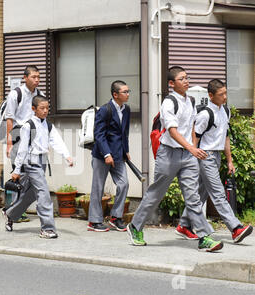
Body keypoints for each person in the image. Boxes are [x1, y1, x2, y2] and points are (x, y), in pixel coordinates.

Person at [127, 66, 223, 252]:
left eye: (187, 77)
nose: (186, 81)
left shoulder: (191, 101)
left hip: (187, 156)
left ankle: (204, 237)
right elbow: (172, 130)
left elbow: (192, 127)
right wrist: (191, 148)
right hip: (169, 154)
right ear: (172, 83)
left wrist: (193, 148)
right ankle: (135, 226)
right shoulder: (169, 103)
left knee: (193, 197)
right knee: (155, 194)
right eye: (182, 79)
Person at [176, 79, 252, 243]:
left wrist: (229, 161)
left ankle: (184, 225)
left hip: (216, 156)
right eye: (221, 94)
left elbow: (225, 137)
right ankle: (236, 228)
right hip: (205, 156)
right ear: (211, 95)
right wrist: (193, 157)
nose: (224, 97)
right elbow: (194, 136)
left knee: (201, 193)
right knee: (218, 194)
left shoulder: (225, 111)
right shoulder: (205, 114)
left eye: (225, 93)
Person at [2, 95, 74, 239]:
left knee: (31, 194)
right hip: (31, 163)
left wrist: (67, 156)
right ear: (34, 109)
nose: (45, 111)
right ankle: (47, 229)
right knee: (43, 193)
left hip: (42, 162)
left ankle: (10, 214)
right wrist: (16, 170)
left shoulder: (48, 125)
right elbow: (22, 149)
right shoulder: (28, 126)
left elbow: (56, 141)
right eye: (42, 108)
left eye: (47, 108)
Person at [88, 80, 131, 232]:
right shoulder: (105, 110)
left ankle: (116, 217)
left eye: (128, 91)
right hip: (101, 155)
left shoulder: (126, 110)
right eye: (125, 92)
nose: (128, 94)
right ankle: (94, 221)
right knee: (98, 188)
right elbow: (99, 134)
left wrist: (126, 150)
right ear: (115, 94)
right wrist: (106, 153)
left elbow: (124, 133)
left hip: (118, 154)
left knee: (124, 183)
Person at [4, 65, 42, 223]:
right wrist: (9, 142)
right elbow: (9, 118)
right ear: (25, 78)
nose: (37, 80)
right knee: (17, 173)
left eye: (38, 77)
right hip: (18, 135)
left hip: (33, 137)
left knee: (29, 175)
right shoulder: (15, 94)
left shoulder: (39, 94)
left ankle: (17, 209)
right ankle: (11, 208)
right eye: (33, 77)